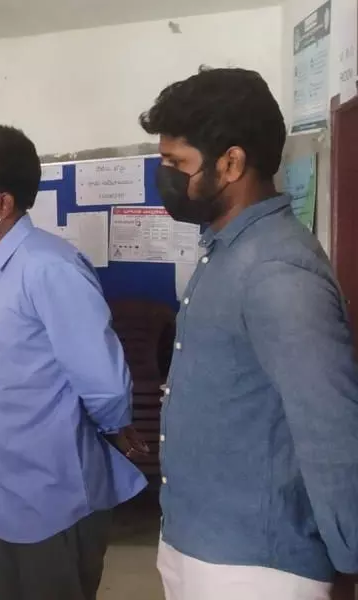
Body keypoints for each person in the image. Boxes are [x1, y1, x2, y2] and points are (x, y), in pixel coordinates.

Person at [140, 67, 358, 600]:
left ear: (232, 163)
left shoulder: (276, 273)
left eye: (177, 163)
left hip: (256, 567)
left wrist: (351, 561)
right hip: (199, 543)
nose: (165, 176)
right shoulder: (226, 247)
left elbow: (332, 435)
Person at [0, 124, 148, 600]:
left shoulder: (47, 266)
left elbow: (103, 377)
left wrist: (115, 428)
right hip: (7, 487)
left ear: (3, 203)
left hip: (53, 494)